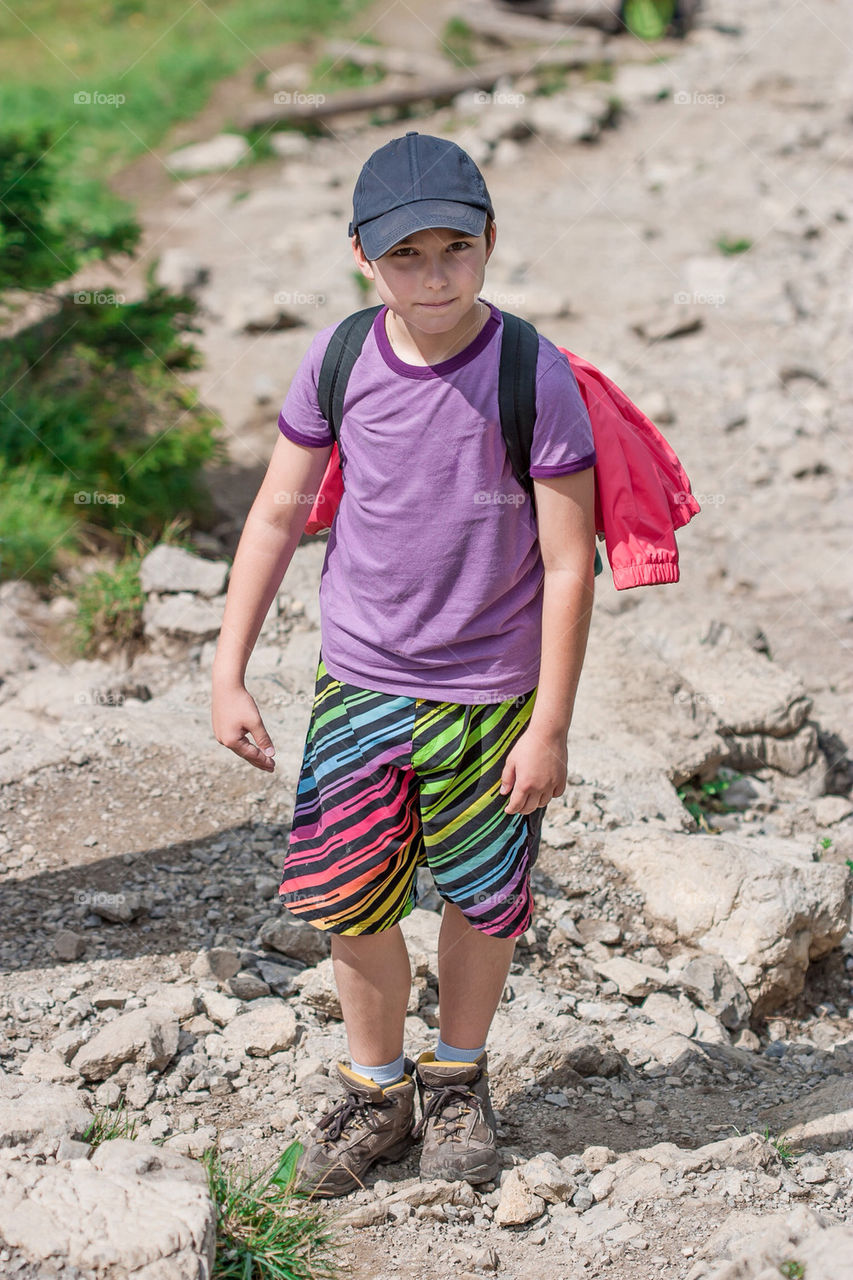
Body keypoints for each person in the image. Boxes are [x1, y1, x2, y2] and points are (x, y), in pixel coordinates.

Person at [211, 130, 597, 1198]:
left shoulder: (530, 370)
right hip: (359, 688)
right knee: (353, 902)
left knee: (482, 897)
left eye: (455, 250)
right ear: (361, 255)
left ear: (489, 242)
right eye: (406, 256)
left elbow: (570, 562)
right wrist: (228, 668)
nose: (434, 277)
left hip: (490, 698)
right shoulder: (339, 359)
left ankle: (459, 1077)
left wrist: (550, 727)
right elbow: (279, 511)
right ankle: (376, 1090)